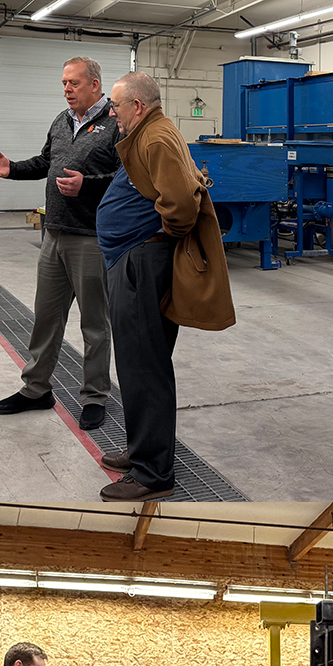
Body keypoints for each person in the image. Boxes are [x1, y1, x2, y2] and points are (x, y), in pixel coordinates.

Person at [95, 72, 235, 501]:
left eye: (116, 106)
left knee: (145, 369)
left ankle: (153, 474)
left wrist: (152, 241)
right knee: (137, 366)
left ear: (137, 105)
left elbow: (180, 205)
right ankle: (142, 453)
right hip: (133, 259)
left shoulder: (155, 137)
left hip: (142, 262)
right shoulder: (151, 131)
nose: (112, 113)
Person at [0, 57, 121, 431]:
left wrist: (88, 185)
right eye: (64, 83)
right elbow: (47, 161)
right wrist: (12, 169)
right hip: (54, 233)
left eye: (74, 83)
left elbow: (128, 178)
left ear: (95, 84)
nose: (67, 89)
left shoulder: (115, 124)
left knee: (95, 325)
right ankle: (36, 389)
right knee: (45, 318)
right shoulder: (61, 121)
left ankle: (95, 395)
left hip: (90, 238)